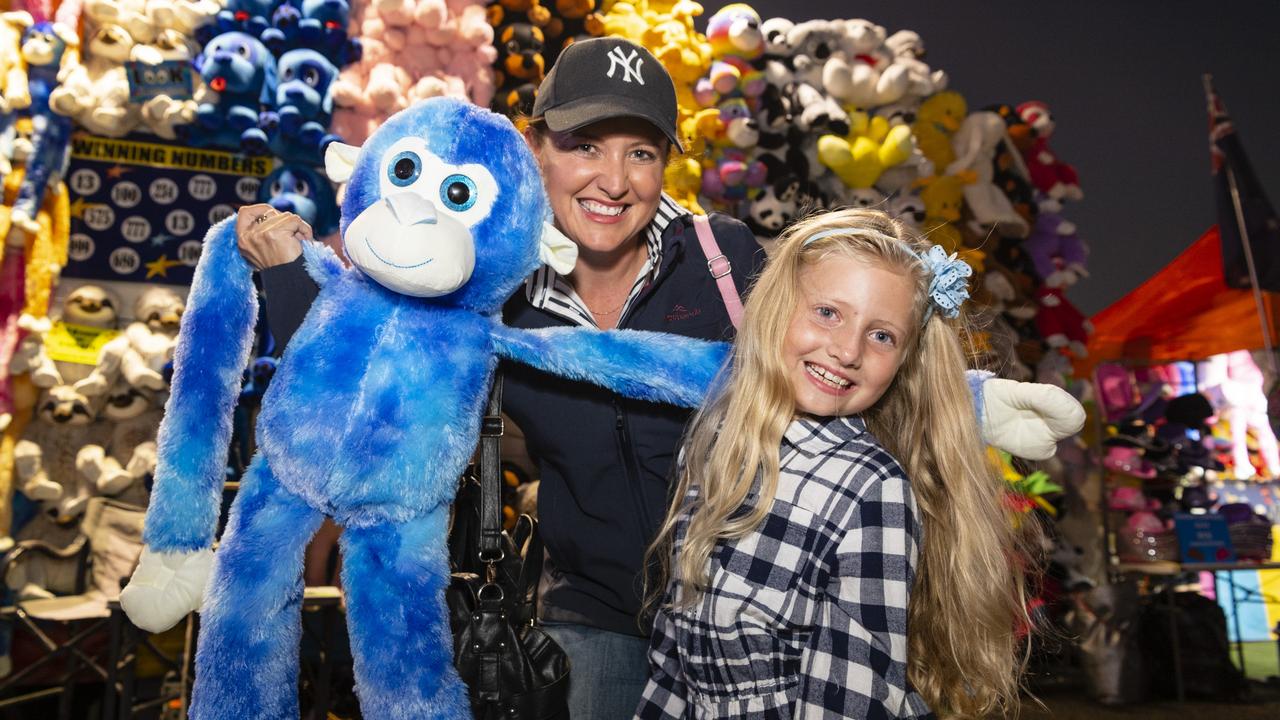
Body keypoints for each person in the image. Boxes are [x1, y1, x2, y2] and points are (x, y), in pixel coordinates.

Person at [237, 37, 765, 719]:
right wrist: (285, 269)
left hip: (747, 603)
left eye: (641, 153)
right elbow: (358, 380)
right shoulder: (490, 284)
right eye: (585, 146)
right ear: (535, 149)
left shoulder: (725, 259)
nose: (614, 180)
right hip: (592, 615)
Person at [636, 208, 1040, 719]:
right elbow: (674, 660)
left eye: (881, 336)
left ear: (904, 359)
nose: (847, 350)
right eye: (828, 312)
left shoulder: (872, 488)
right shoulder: (715, 439)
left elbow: (850, 699)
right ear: (778, 306)